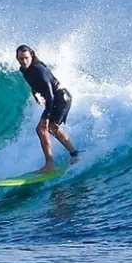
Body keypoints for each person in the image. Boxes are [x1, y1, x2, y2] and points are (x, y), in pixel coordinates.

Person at [15, 45, 79, 173]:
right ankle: (74, 154)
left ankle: (49, 165)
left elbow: (50, 97)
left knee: (42, 129)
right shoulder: (24, 69)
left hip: (60, 99)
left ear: (31, 56)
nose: (24, 61)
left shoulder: (38, 71)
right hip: (61, 97)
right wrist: (35, 94)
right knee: (52, 128)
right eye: (21, 58)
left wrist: (46, 118)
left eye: (26, 58)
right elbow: (33, 83)